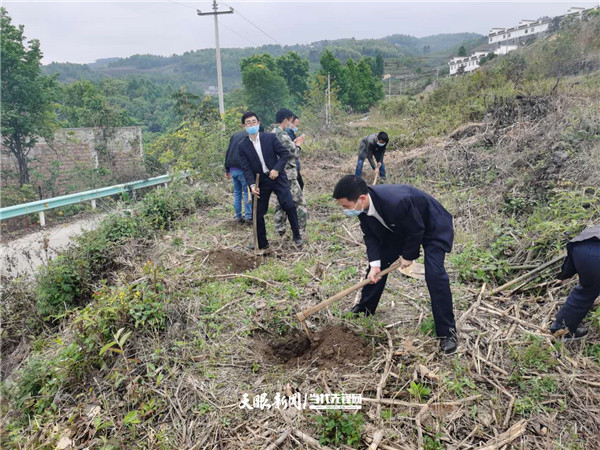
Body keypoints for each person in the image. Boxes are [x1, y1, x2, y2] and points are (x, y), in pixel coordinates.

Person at [332, 175, 457, 354]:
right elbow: (371, 236)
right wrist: (375, 264)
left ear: (361, 198)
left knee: (434, 274)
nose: (344, 210)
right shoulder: (363, 208)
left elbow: (417, 229)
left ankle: (447, 333)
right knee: (378, 268)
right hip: (400, 227)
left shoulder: (396, 201)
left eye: (345, 206)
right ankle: (365, 309)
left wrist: (408, 255)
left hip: (431, 226)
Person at [238, 111, 303, 250]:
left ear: (258, 123)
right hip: (260, 181)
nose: (252, 125)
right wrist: (251, 185)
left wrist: (276, 169)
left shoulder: (270, 138)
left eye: (254, 122)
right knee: (258, 212)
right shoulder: (242, 145)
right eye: (248, 123)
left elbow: (285, 154)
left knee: (289, 205)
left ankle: (297, 236)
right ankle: (262, 242)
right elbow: (246, 168)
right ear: (244, 126)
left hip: (277, 177)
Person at [551, 225, 600, 339]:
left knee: (585, 292)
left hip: (579, 247)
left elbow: (575, 246)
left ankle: (561, 328)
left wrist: (566, 273)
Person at [271, 109, 307, 238]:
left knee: (282, 202)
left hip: (279, 173)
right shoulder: (282, 134)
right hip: (288, 173)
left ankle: (279, 230)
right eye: (291, 121)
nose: (292, 124)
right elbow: (293, 152)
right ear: (286, 120)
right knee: (300, 203)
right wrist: (298, 144)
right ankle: (300, 232)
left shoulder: (272, 133)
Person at [224, 128, 252, 225]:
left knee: (237, 193)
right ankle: (249, 216)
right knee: (247, 192)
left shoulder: (235, 136)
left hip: (233, 169)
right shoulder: (249, 136)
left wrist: (227, 169)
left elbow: (228, 152)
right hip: (242, 169)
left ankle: (238, 216)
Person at [286, 115, 304, 190]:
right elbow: (293, 151)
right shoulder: (288, 133)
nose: (296, 127)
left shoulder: (289, 132)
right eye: (295, 125)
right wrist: (298, 144)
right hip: (291, 165)